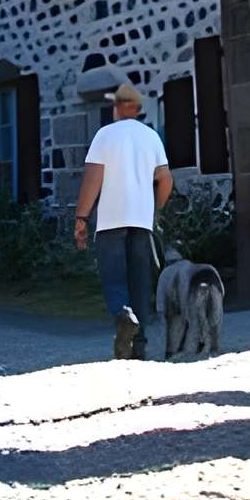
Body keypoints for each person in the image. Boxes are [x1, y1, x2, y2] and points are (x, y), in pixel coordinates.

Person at [74, 82, 173, 359]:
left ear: (117, 108)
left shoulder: (105, 135)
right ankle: (139, 345)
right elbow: (165, 179)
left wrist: (81, 217)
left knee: (114, 277)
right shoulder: (151, 136)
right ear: (138, 110)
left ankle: (122, 315)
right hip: (141, 221)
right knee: (141, 281)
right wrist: (155, 210)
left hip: (111, 220)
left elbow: (93, 179)